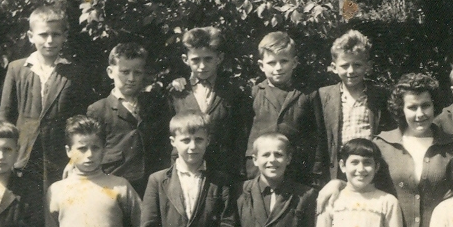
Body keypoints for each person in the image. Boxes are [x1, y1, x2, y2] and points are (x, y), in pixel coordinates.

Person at [317, 73, 453, 227]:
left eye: (425, 105)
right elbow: (362, 179)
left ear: (434, 105)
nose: (420, 114)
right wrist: (339, 183)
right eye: (412, 107)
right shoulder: (383, 144)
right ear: (401, 109)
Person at [0, 5, 93, 188]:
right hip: (22, 157)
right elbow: (5, 117)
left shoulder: (75, 72)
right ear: (31, 36)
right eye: (43, 35)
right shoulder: (16, 69)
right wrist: (5, 155)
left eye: (55, 35)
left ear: (64, 36)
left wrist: (74, 159)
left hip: (59, 158)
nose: (50, 41)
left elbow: (81, 122)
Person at [87, 42, 171, 197]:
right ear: (110, 72)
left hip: (152, 186)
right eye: (125, 72)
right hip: (115, 186)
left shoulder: (155, 103)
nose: (131, 78)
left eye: (137, 73)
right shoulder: (98, 110)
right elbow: (92, 150)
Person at [168, 26, 250, 181]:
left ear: (219, 58)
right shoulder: (177, 92)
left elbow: (240, 136)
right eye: (195, 60)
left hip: (222, 170)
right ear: (185, 60)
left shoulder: (232, 92)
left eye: (208, 59)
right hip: (185, 169)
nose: (202, 66)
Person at [246, 31, 326, 185]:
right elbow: (243, 133)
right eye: (271, 63)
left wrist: (316, 172)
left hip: (296, 170)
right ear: (261, 65)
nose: (278, 68)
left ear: (294, 63)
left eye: (283, 61)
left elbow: (317, 135)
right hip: (258, 170)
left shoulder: (307, 94)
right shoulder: (254, 93)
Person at [318, 29, 392, 181]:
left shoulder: (380, 96)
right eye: (344, 65)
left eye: (357, 65)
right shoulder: (323, 96)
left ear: (368, 66)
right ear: (334, 67)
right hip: (338, 171)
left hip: (369, 169)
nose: (351, 71)